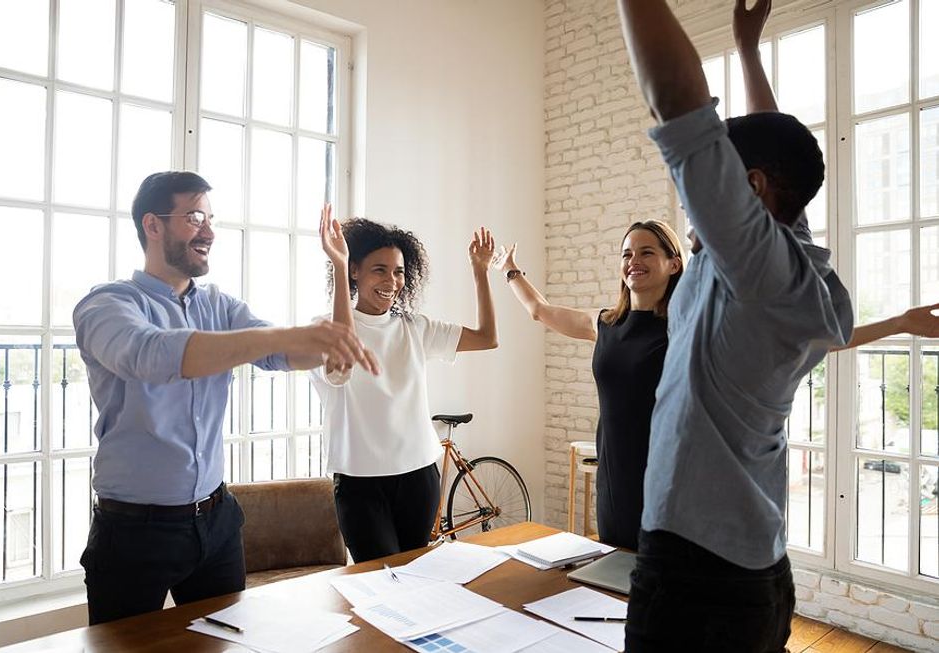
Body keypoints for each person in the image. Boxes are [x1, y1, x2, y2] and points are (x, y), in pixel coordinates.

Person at [614, 0, 853, 648]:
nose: (700, 200)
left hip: (697, 577)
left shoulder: (758, 270)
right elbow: (769, 161)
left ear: (748, 189)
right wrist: (748, 48)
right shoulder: (786, 257)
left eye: (718, 180)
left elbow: (677, 104)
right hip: (752, 567)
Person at [73, 172, 378, 625]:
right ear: (153, 226)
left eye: (211, 218)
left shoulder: (221, 305)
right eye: (196, 216)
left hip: (216, 522)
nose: (210, 232)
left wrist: (339, 273)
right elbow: (153, 355)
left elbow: (297, 352)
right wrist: (289, 334)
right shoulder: (108, 304)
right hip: (135, 533)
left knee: (227, 642)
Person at [310, 205, 499, 562]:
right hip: (359, 480)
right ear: (355, 272)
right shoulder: (325, 328)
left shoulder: (414, 327)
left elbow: (488, 338)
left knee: (414, 576)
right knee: (379, 577)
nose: (391, 282)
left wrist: (480, 272)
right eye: (379, 270)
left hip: (418, 474)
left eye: (398, 272)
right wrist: (337, 264)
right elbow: (339, 370)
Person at [497, 222, 683, 550]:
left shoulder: (685, 330)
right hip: (614, 480)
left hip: (669, 481)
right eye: (627, 254)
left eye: (646, 252)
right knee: (613, 578)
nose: (633, 260)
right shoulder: (606, 325)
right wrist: (510, 270)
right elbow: (540, 311)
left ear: (674, 264)